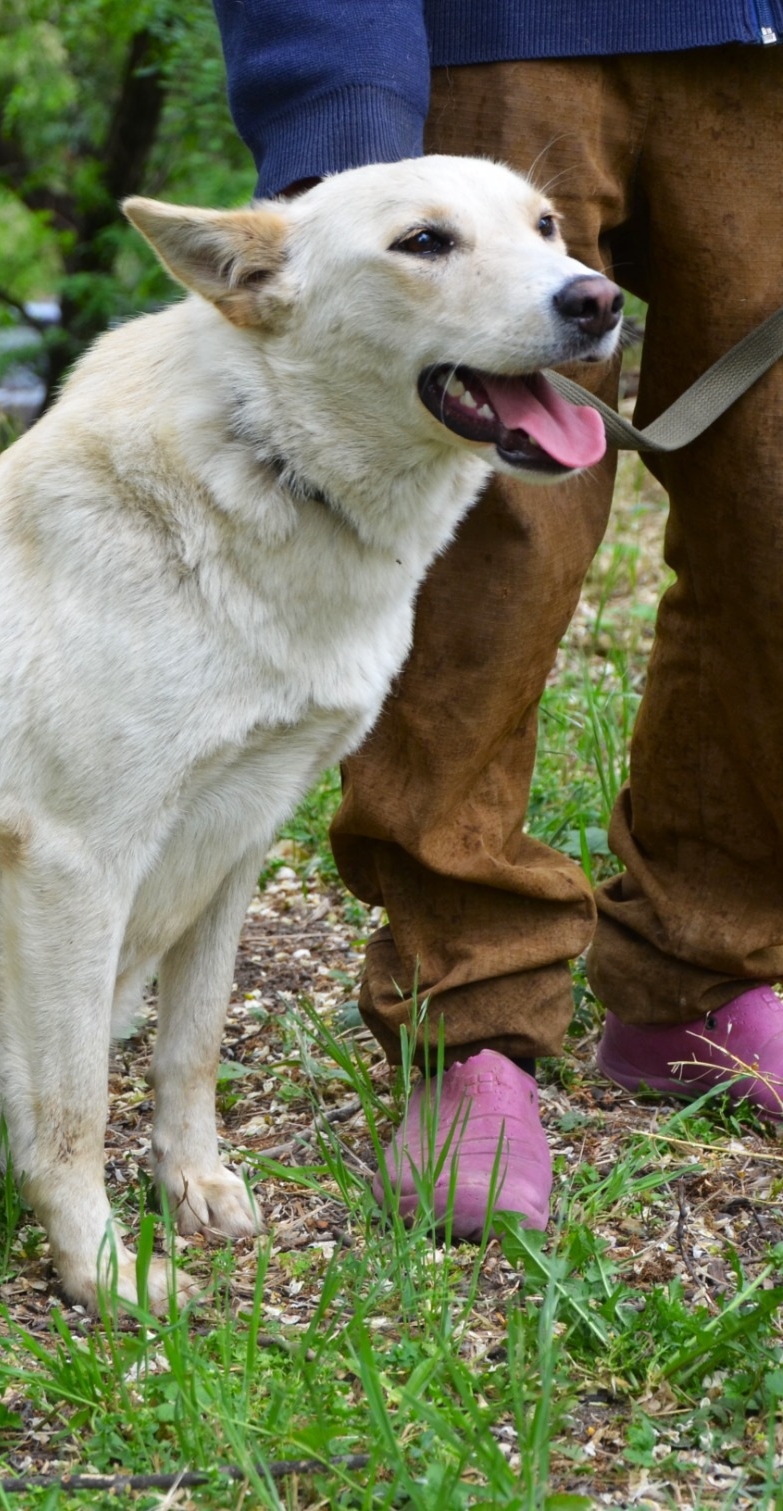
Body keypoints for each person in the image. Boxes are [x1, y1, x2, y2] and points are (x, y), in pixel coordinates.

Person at [211, 1, 783, 1235]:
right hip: (492, 33)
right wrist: (344, 136)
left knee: (777, 516)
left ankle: (707, 965)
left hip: (761, 56)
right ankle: (466, 1017)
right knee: (488, 548)